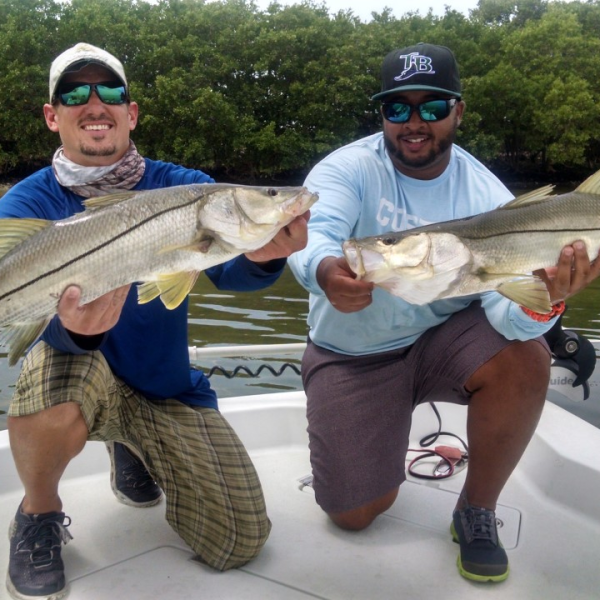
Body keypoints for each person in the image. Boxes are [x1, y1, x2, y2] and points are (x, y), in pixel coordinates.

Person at [2, 43, 309, 600]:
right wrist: (76, 329)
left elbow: (230, 274)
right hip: (77, 371)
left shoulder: (185, 185)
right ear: (53, 115)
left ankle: (132, 446)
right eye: (75, 93)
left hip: (161, 384)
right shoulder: (27, 203)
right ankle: (37, 513)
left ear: (131, 112)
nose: (95, 104)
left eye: (111, 92)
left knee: (239, 539)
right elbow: (30, 326)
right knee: (46, 381)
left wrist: (267, 254)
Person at [288, 42, 600, 583]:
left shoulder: (486, 194)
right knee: (353, 515)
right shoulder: (348, 167)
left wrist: (547, 299)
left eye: (432, 108)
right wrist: (324, 273)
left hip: (440, 341)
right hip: (353, 356)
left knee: (527, 353)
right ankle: (370, 437)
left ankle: (476, 509)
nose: (415, 122)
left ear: (458, 110)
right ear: (381, 113)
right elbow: (310, 235)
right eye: (397, 108)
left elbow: (506, 316)